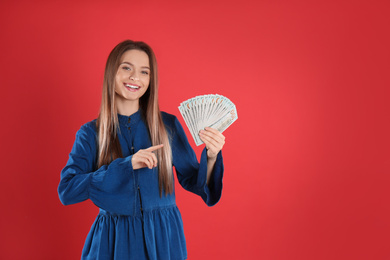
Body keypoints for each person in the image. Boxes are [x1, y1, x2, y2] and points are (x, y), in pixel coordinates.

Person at [58, 40, 225, 260]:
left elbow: (195, 182)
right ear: (112, 73)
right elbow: (67, 190)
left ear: (150, 80)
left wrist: (211, 157)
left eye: (144, 72)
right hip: (113, 240)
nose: (135, 77)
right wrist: (124, 166)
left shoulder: (168, 125)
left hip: (163, 239)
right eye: (126, 67)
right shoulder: (91, 133)